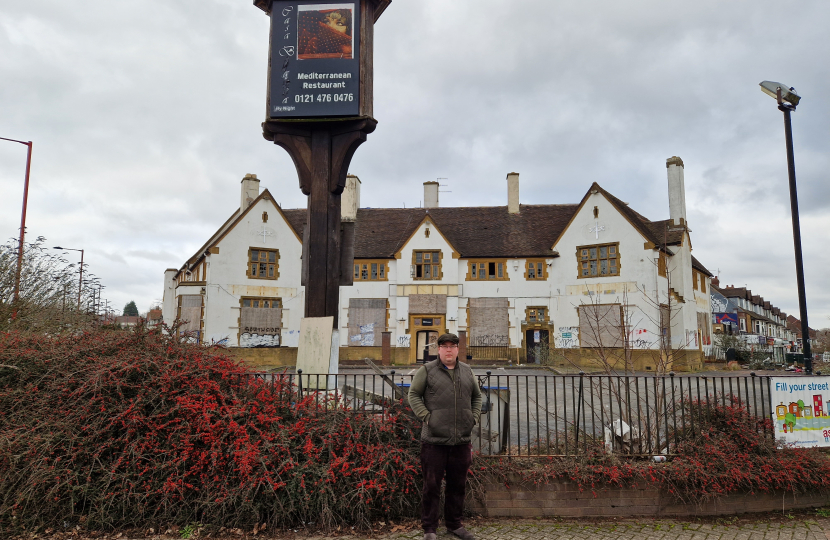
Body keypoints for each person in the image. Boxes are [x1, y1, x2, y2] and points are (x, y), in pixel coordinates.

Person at [407, 333, 482, 540]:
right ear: (438, 349)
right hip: (434, 441)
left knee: (457, 485)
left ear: (458, 349)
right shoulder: (427, 371)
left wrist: (473, 418)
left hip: (461, 441)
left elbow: (477, 396)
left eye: (452, 346)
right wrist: (427, 418)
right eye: (444, 346)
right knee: (431, 486)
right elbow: (413, 394)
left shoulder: (467, 371)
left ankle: (454, 525)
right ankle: (429, 528)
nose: (448, 350)